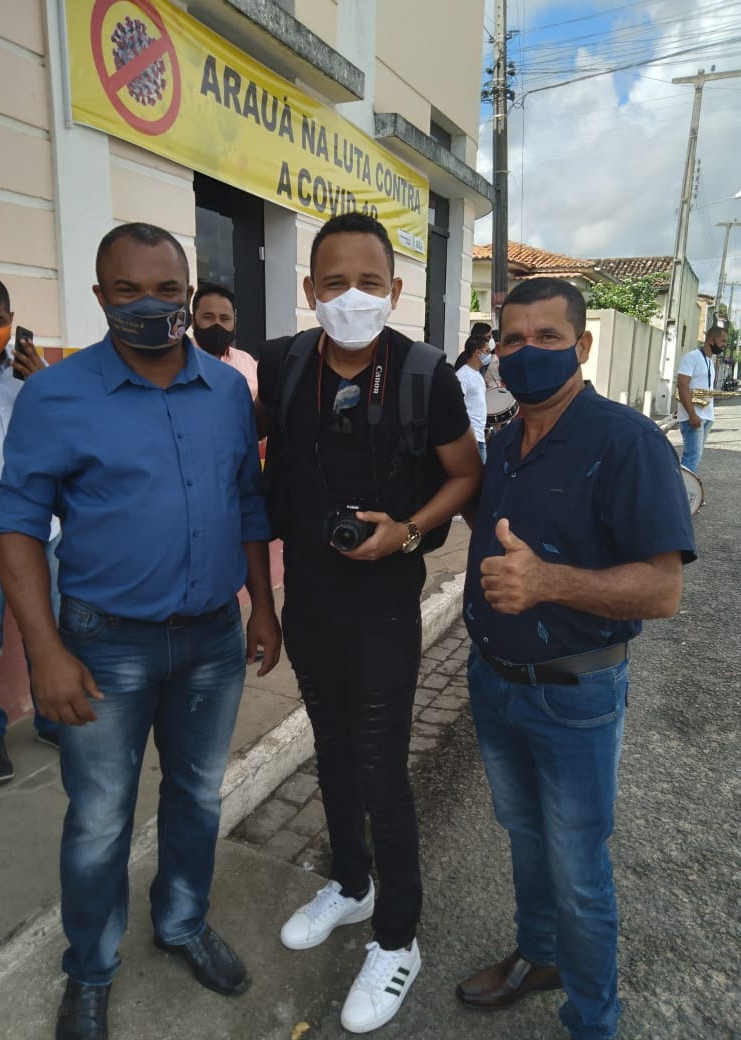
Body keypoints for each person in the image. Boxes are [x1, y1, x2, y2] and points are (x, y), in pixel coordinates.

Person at [0, 223, 281, 1040]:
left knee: (196, 796)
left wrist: (263, 606)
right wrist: (45, 652)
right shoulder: (55, 395)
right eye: (128, 290)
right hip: (103, 645)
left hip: (212, 641)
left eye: (167, 290)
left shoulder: (227, 392)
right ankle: (90, 969)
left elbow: (247, 503)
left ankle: (182, 923)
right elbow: (16, 526)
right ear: (100, 296)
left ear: (188, 294)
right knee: (99, 820)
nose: (151, 305)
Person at [257, 213, 481, 1034]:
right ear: (309, 288)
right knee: (333, 752)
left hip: (384, 606)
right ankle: (352, 887)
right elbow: (252, 475)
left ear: (395, 289)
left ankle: (397, 938)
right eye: (334, 282)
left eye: (369, 282)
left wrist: (409, 531)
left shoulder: (426, 376)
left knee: (383, 771)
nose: (351, 296)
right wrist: (261, 602)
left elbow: (466, 475)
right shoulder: (283, 367)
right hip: (310, 603)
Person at [457, 277, 695, 1040]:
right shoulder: (504, 443)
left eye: (547, 338)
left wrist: (549, 583)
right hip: (495, 685)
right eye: (513, 339)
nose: (527, 352)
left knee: (578, 870)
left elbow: (663, 590)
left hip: (575, 698)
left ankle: (593, 1021)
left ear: (582, 346)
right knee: (526, 839)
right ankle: (539, 956)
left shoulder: (627, 443)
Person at [0, 271, 60, 785]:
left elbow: (65, 437)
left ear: (11, 321)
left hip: (40, 529)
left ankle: (50, 718)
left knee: (47, 630)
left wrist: (43, 384)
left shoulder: (33, 374)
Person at [191, 282, 258, 398]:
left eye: (224, 318)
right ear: (193, 321)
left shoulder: (247, 362)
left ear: (235, 323)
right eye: (208, 317)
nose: (217, 324)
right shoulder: (177, 362)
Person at [676, 325, 727, 473]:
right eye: (722, 341)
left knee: (694, 457)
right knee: (692, 458)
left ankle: (680, 484)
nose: (724, 345)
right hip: (694, 416)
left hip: (706, 416)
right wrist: (691, 414)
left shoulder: (709, 361)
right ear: (711, 340)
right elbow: (682, 385)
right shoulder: (691, 357)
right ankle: (681, 486)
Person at [454, 336, 489, 461]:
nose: (489, 355)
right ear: (477, 352)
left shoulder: (477, 375)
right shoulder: (463, 376)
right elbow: (457, 406)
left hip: (479, 436)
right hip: (470, 438)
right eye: (487, 351)